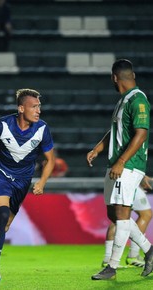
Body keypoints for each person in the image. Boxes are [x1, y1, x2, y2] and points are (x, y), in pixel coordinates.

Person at [0, 88, 55, 283]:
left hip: (23, 180)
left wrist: (42, 182)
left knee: (4, 225)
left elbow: (50, 160)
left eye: (39, 107)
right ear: (21, 108)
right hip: (0, 173)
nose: (38, 111)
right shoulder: (2, 125)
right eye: (34, 107)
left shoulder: (42, 129)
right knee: (2, 215)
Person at [87, 59, 153, 280]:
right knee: (113, 214)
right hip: (115, 163)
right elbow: (115, 131)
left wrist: (122, 161)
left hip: (128, 165)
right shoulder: (123, 101)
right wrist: (98, 147)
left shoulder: (138, 100)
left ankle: (112, 267)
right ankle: (150, 250)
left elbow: (141, 133)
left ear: (114, 78)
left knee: (122, 214)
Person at [102, 175, 152, 268]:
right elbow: (126, 161)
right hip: (128, 181)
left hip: (116, 181)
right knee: (145, 214)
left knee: (117, 217)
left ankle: (108, 257)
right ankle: (133, 254)